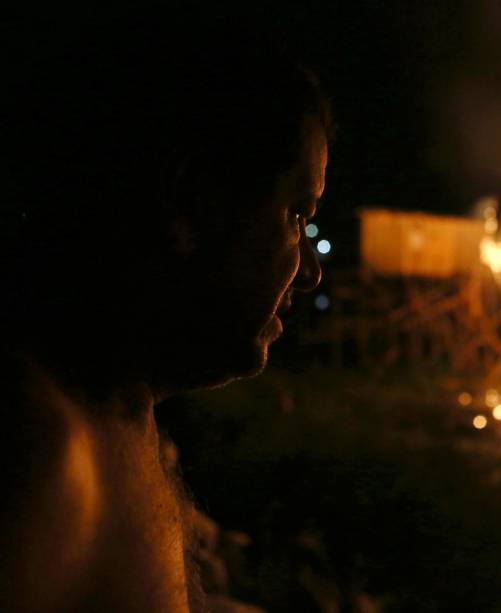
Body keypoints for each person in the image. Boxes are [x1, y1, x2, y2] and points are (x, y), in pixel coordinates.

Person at [0, 12, 329, 612]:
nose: (310, 270)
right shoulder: (36, 453)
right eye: (296, 217)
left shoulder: (116, 404)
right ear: (190, 202)